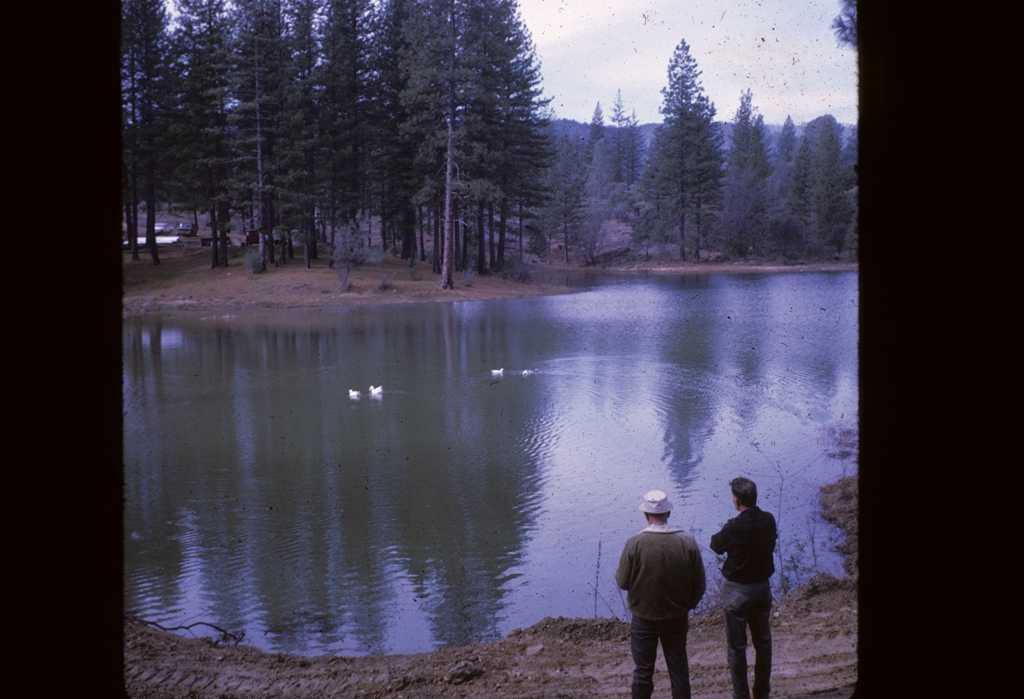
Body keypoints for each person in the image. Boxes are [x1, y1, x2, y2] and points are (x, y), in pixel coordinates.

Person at [616, 490, 706, 699]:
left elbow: (622, 582)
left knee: (643, 673)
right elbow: (700, 584)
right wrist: (687, 606)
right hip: (676, 616)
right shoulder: (687, 541)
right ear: (669, 514)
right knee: (679, 672)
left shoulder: (634, 543)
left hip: (643, 617)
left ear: (646, 515)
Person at [710, 477, 778, 699]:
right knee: (763, 642)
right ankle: (762, 693)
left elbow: (715, 545)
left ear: (737, 501)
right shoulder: (769, 520)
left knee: (737, 648)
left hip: (737, 591)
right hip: (761, 588)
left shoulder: (734, 526)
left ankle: (741, 696)